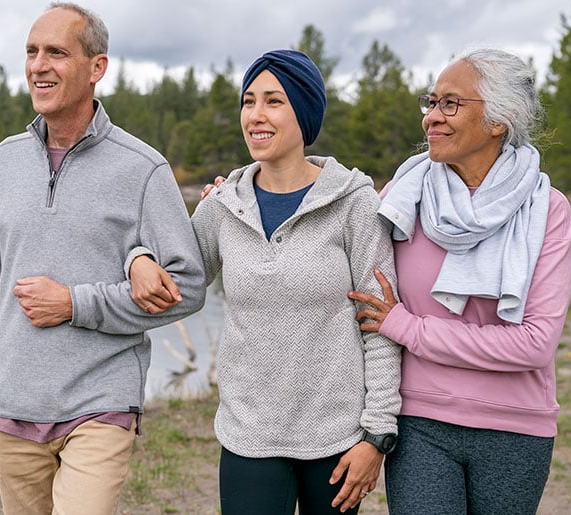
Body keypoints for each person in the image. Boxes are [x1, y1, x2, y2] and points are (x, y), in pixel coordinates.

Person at [0, 3, 206, 513]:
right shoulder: (2, 164)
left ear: (97, 68)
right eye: (31, 52)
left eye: (56, 53)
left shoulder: (143, 169)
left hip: (100, 404)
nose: (38, 65)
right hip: (12, 407)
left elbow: (190, 285)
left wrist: (77, 304)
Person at [128, 49, 402, 514]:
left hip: (336, 436)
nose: (255, 115)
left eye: (273, 101)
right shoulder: (222, 206)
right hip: (249, 435)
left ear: (305, 113)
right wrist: (138, 257)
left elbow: (378, 324)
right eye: (248, 101)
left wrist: (377, 433)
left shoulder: (353, 202)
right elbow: (178, 283)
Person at [348, 48, 571, 514]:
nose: (431, 117)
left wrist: (407, 327)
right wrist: (244, 193)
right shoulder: (403, 195)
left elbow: (534, 344)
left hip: (516, 428)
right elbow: (334, 237)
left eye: (450, 104)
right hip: (420, 423)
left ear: (500, 120)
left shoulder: (548, 210)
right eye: (430, 102)